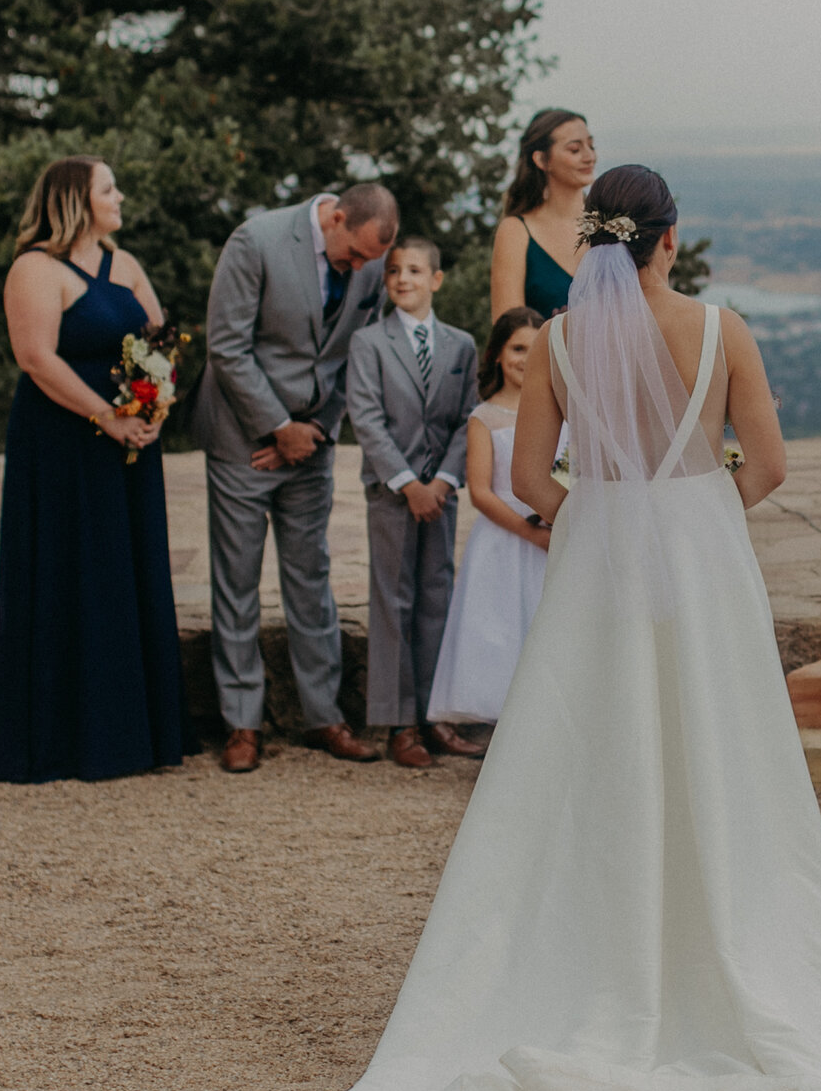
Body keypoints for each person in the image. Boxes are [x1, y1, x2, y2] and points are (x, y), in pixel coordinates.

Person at [321, 166, 821, 1091]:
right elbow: (765, 465)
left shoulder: (557, 340)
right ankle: (727, 942)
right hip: (704, 557)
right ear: (669, 240)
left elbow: (524, 475)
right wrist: (695, 513)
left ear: (594, 245)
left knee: (589, 747)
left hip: (597, 555)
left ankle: (591, 947)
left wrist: (599, 515)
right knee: (720, 742)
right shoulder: (723, 331)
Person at [189, 182, 398, 773]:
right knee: (237, 581)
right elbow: (227, 347)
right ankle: (241, 722)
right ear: (333, 217)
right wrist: (278, 428)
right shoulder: (255, 242)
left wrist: (314, 432)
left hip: (313, 443)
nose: (358, 269)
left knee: (312, 578)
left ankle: (324, 714)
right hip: (241, 440)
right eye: (353, 256)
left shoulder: (366, 261)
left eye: (367, 263)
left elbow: (358, 352)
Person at [0, 156, 185, 784]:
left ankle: (137, 734)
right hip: (63, 444)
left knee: (126, 573)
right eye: (109, 188)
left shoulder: (123, 265)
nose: (119, 195)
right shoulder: (35, 269)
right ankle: (67, 741)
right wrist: (108, 416)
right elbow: (37, 359)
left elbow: (159, 338)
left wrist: (155, 405)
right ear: (77, 199)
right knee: (70, 572)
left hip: (131, 440)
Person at [346, 237, 480, 769]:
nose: (403, 279)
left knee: (436, 599)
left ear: (437, 280)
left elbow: (468, 417)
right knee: (392, 601)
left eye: (415, 271)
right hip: (393, 492)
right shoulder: (369, 343)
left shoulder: (461, 345)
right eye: (394, 272)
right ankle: (399, 722)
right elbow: (367, 419)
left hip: (441, 494)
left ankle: (437, 713)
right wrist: (408, 484)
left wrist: (444, 481)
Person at [423, 308, 551, 749]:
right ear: (497, 354)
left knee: (546, 632)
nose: (526, 358)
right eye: (518, 348)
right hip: (506, 539)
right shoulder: (484, 417)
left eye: (536, 350)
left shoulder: (560, 409)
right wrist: (529, 530)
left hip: (552, 539)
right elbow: (480, 491)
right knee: (501, 636)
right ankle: (506, 746)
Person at [489, 109, 596, 320]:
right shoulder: (516, 231)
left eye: (591, 146)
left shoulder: (613, 224)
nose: (589, 156)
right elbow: (508, 330)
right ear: (541, 160)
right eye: (575, 149)